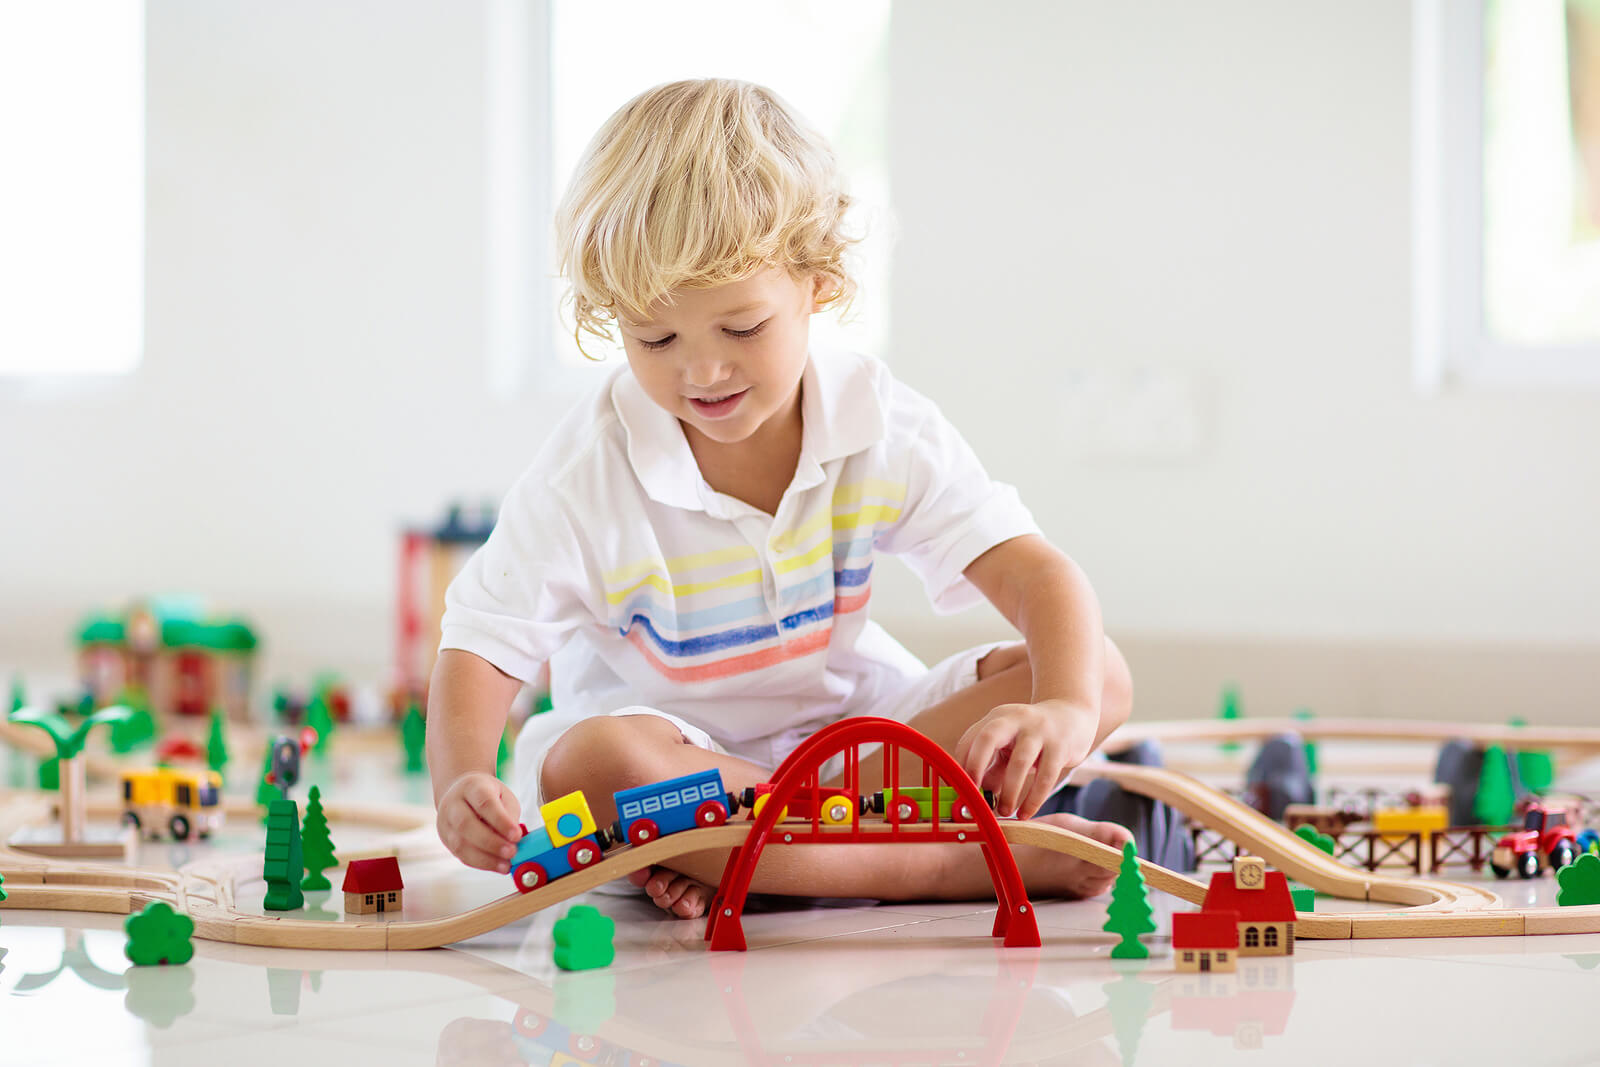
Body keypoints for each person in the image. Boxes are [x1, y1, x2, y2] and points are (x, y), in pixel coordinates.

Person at [428, 78, 1135, 919]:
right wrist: (462, 778)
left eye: (742, 328)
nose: (702, 371)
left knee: (1101, 673)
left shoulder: (877, 421)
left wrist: (1062, 704)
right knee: (595, 759)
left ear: (818, 283)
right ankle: (941, 865)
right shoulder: (587, 471)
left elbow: (1033, 572)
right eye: (656, 339)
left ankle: (768, 860)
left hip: (846, 751)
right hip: (678, 774)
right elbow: (482, 644)